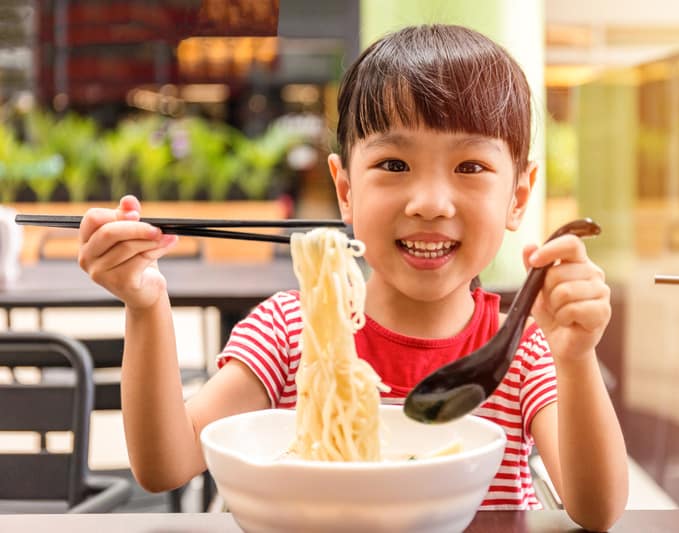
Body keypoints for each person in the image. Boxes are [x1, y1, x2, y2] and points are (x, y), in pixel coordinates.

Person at [78, 24, 627, 531]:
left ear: (519, 196)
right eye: (393, 165)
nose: (430, 203)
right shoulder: (288, 333)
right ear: (345, 189)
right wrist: (146, 306)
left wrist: (575, 356)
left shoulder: (523, 351)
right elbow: (165, 464)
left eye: (470, 167)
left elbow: (596, 509)